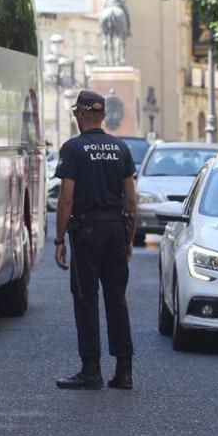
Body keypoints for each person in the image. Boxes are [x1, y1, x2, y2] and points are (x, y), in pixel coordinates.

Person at [53, 90, 139, 391]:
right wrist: (128, 240)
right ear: (101, 116)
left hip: (87, 232)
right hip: (115, 229)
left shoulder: (73, 149)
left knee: (86, 299)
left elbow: (66, 199)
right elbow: (131, 200)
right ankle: (124, 371)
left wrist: (59, 239)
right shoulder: (121, 149)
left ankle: (91, 371)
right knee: (116, 299)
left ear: (80, 115)